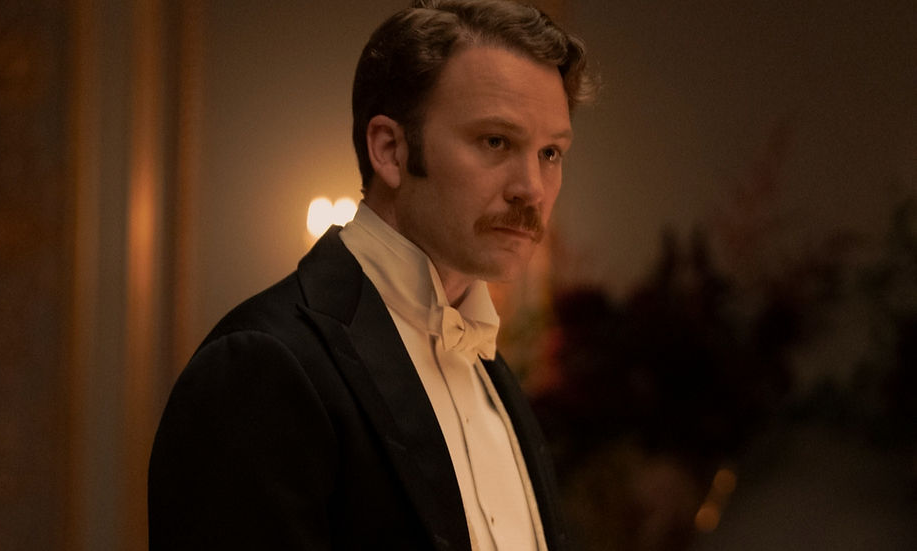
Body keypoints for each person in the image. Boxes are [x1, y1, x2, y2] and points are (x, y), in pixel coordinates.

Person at [148, 1, 595, 549]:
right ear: (390, 150)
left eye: (551, 152)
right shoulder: (260, 365)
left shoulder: (495, 376)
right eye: (496, 141)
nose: (532, 186)